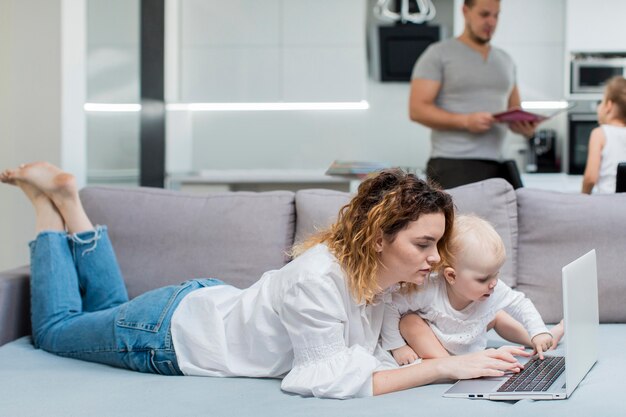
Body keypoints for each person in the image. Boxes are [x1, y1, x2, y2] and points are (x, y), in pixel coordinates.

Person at [0, 162, 529, 399]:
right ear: (377, 238)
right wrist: (446, 369)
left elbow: (462, 305)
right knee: (57, 329)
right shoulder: (318, 279)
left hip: (197, 305)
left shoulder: (387, 275)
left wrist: (525, 341)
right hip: (165, 335)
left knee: (105, 308)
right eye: (423, 244)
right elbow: (318, 378)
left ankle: (70, 202)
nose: (435, 259)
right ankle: (48, 211)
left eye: (438, 245)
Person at [381, 214, 564, 366]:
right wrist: (397, 346)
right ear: (451, 276)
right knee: (409, 321)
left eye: (496, 275)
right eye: (483, 279)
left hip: (471, 342)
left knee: (496, 314)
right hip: (438, 345)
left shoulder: (493, 289)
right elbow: (391, 306)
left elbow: (520, 303)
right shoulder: (429, 288)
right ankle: (447, 365)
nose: (493, 284)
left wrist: (538, 331)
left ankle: (540, 340)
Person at [409, 0, 537, 189]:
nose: (491, 22)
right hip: (453, 163)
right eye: (484, 14)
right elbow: (417, 110)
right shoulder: (437, 54)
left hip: (500, 165)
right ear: (465, 11)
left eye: (496, 15)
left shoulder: (506, 61)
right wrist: (466, 121)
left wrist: (525, 128)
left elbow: (514, 110)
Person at [582, 76, 626, 194]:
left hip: (608, 203)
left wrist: (582, 198)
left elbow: (590, 178)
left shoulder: (600, 134)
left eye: (601, 101)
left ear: (608, 106)